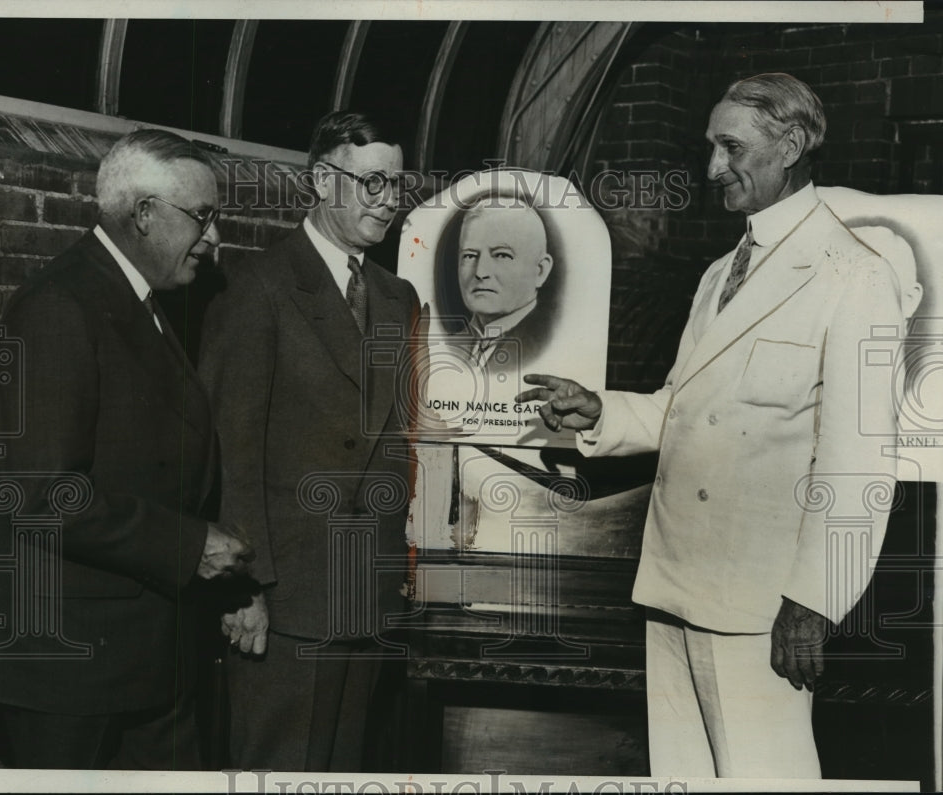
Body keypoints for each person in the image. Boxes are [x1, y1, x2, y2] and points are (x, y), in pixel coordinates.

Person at [516, 73, 903, 778]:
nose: (712, 167)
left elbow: (860, 459)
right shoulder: (721, 271)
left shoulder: (854, 275)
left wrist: (814, 600)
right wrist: (601, 410)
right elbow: (681, 405)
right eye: (710, 147)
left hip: (760, 605)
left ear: (789, 146)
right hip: (673, 584)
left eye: (731, 147)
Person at [0, 129, 252, 770]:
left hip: (138, 660)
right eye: (203, 217)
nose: (214, 239)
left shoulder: (141, 301)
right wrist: (189, 546)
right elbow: (42, 495)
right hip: (68, 673)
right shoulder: (59, 306)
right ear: (143, 213)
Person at [198, 111, 420, 772]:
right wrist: (244, 588)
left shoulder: (397, 296)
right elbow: (227, 453)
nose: (389, 201)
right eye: (373, 183)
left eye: (397, 185)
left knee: (344, 770)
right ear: (324, 179)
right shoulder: (255, 287)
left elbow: (394, 440)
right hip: (286, 600)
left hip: (368, 594)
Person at [455, 198, 554, 370]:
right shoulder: (443, 347)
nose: (480, 272)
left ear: (540, 271)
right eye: (470, 256)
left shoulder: (553, 347)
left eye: (501, 255)